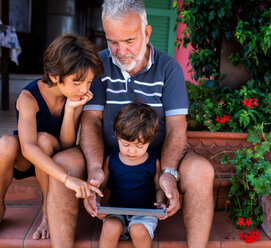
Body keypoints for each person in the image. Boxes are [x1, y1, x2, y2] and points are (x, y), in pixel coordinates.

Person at [48, 0, 215, 247]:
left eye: (128, 41)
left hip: (158, 157)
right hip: (108, 156)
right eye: (112, 41)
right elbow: (91, 121)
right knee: (63, 164)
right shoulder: (98, 65)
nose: (120, 51)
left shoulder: (169, 68)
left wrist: (168, 172)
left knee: (202, 171)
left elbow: (177, 128)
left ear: (146, 33)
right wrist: (95, 169)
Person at [0, 33, 104, 240]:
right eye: (77, 82)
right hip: (27, 157)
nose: (84, 89)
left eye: (89, 82)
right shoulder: (28, 97)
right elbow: (27, 148)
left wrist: (70, 110)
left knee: (45, 140)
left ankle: (47, 213)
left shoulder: (75, 96)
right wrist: (69, 180)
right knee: (5, 144)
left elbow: (66, 145)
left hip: (54, 153)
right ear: (56, 76)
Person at [96, 101, 166, 248]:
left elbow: (158, 188)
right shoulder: (111, 160)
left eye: (140, 146)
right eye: (126, 144)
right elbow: (101, 186)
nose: (132, 151)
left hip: (145, 213)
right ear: (117, 136)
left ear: (150, 140)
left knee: (138, 230)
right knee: (110, 227)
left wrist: (160, 204)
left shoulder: (153, 162)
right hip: (116, 211)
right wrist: (98, 204)